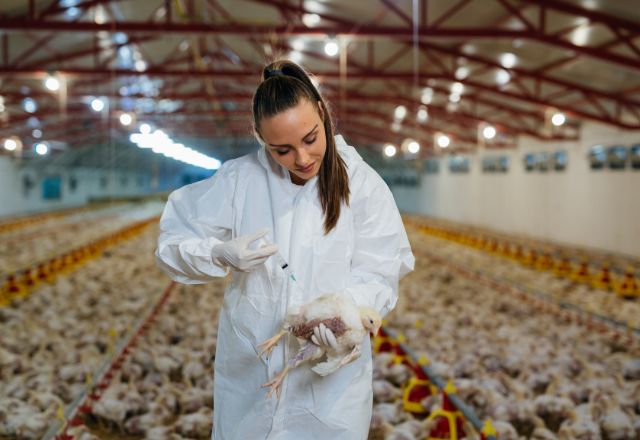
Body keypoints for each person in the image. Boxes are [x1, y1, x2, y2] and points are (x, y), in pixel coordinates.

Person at [155, 59, 415, 440]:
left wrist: (347, 315)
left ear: (322, 115)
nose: (303, 159)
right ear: (261, 139)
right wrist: (217, 253)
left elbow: (381, 268)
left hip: (329, 393)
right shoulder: (241, 180)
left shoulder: (363, 185)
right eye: (282, 150)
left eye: (310, 139)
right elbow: (172, 243)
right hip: (251, 375)